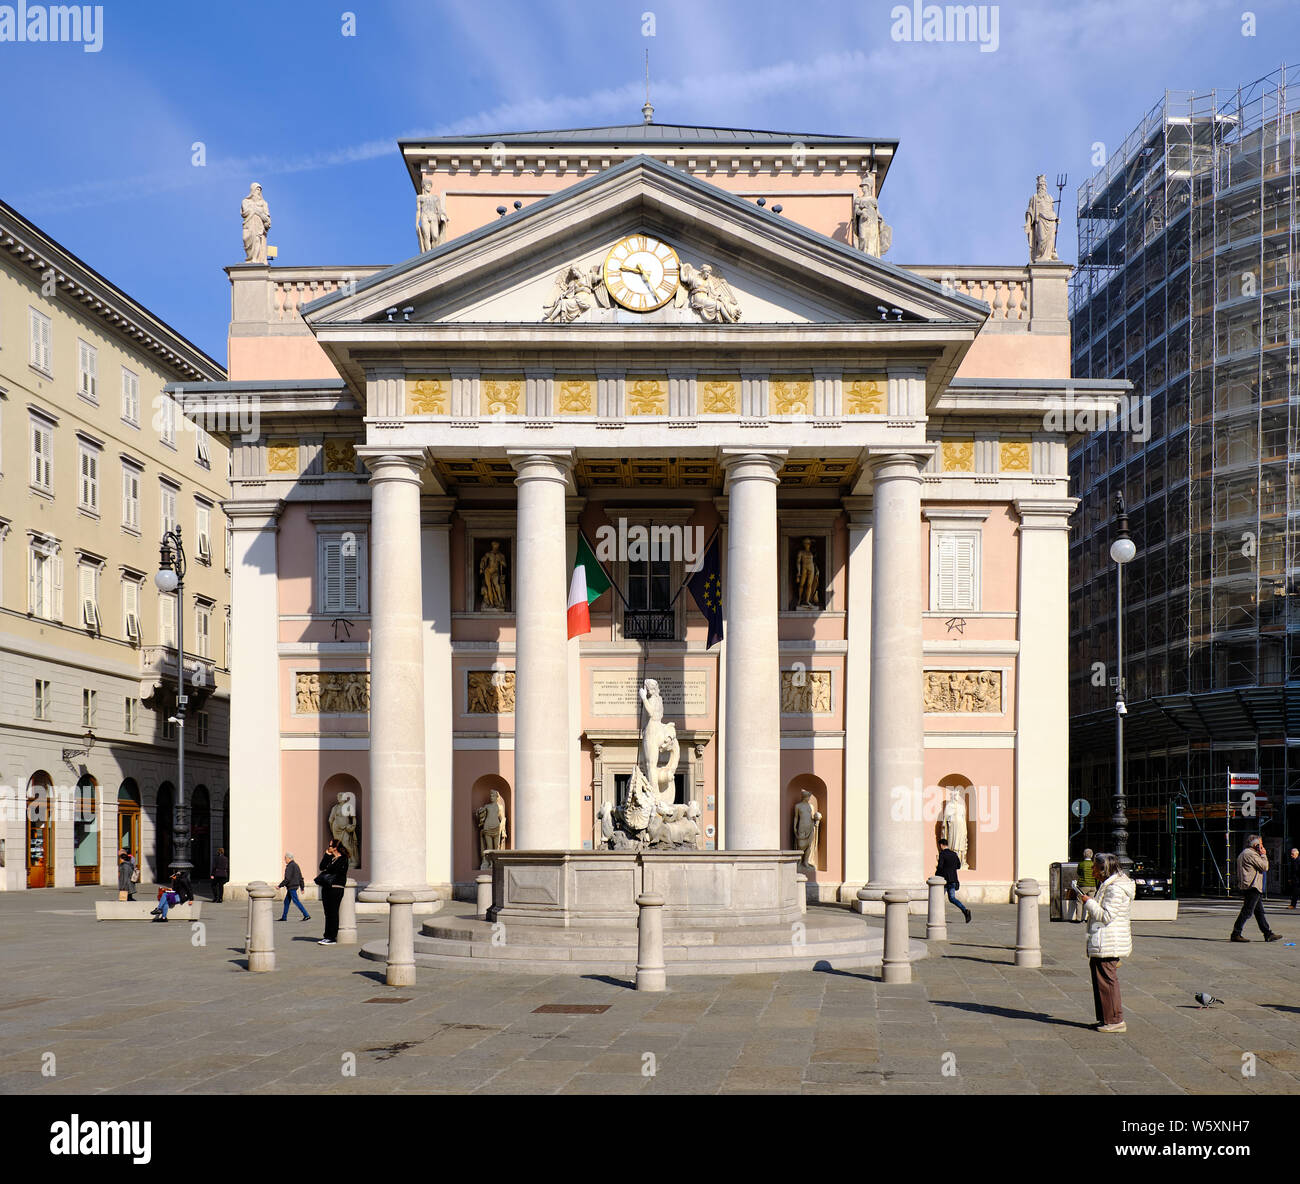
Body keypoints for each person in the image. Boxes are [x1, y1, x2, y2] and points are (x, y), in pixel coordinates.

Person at [1078, 851, 1135, 1033]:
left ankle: (1115, 1020)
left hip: (1109, 940)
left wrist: (1088, 902)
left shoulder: (1115, 888)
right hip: (1103, 939)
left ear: (1103, 869)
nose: (1093, 870)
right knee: (1101, 980)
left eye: (1095, 867)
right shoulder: (1109, 884)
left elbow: (1106, 915)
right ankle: (1106, 1018)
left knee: (1107, 981)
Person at [1231, 833, 1283, 942]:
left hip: (1250, 886)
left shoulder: (1244, 853)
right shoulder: (1251, 854)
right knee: (1247, 911)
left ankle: (1267, 933)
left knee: (1259, 912)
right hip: (1252, 886)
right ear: (1256, 845)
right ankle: (1236, 933)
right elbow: (1264, 867)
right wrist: (1263, 854)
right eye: (1261, 844)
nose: (1262, 846)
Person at [316, 840, 349, 945]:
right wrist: (326, 855)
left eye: (329, 846)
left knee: (333, 912)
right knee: (327, 913)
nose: (328, 847)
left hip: (336, 888)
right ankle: (326, 936)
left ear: (335, 847)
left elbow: (335, 870)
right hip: (327, 888)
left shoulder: (343, 859)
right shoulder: (331, 858)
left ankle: (332, 937)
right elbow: (322, 867)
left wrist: (327, 868)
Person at [935, 838, 971, 923]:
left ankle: (937, 916)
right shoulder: (954, 854)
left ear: (941, 845)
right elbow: (958, 866)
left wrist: (938, 864)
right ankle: (964, 910)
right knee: (952, 898)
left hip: (944, 880)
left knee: (938, 898)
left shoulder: (942, 854)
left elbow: (940, 867)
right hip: (953, 879)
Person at [278, 852, 311, 922]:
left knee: (296, 901)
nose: (285, 860)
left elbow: (287, 878)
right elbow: (300, 877)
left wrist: (280, 886)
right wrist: (302, 887)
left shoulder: (290, 866)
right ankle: (284, 917)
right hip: (293, 886)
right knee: (286, 901)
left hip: (291, 886)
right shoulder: (296, 865)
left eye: (285, 858)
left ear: (289, 858)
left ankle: (306, 915)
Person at [1074, 848, 1095, 923]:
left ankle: (1079, 918)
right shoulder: (1094, 864)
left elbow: (1078, 873)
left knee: (1079, 901)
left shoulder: (1081, 864)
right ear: (1092, 855)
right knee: (1091, 902)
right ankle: (1089, 918)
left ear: (1084, 855)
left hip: (1083, 885)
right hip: (1093, 885)